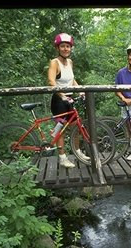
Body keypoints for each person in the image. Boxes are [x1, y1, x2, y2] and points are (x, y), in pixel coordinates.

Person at [48, 32, 90, 168]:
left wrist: (80, 90)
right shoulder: (55, 62)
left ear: (71, 48)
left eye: (68, 46)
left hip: (70, 99)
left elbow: (72, 80)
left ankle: (77, 152)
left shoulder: (70, 62)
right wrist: (62, 95)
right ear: (58, 48)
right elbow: (51, 81)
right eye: (63, 46)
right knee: (61, 130)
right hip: (59, 100)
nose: (65, 49)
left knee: (75, 127)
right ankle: (62, 158)